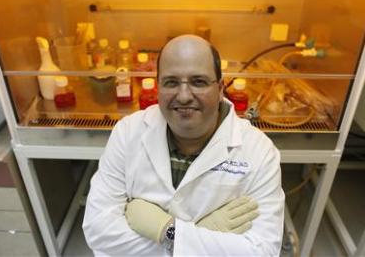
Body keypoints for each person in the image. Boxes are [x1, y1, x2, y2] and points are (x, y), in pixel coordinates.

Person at [83, 34, 285, 256]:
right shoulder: (128, 133)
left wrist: (167, 231)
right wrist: (202, 235)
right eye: (171, 82)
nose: (184, 96)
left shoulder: (259, 152)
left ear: (219, 89)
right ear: (158, 87)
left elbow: (263, 251)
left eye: (198, 82)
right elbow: (99, 231)